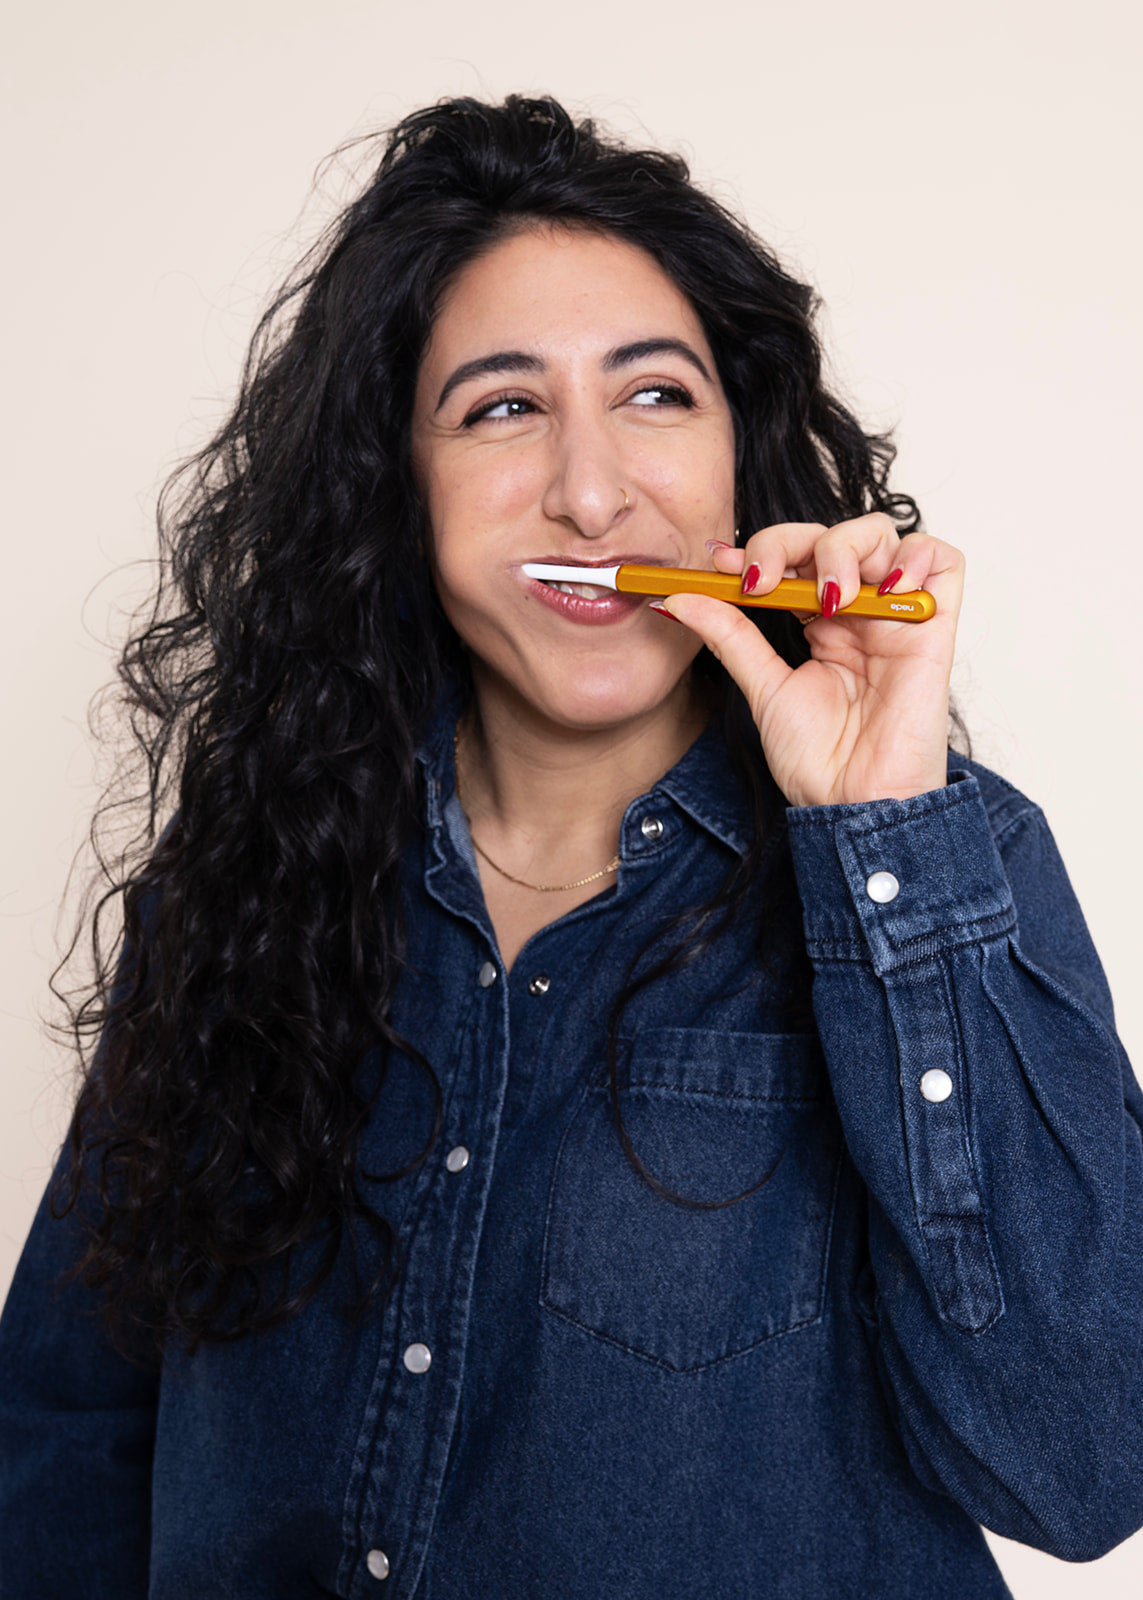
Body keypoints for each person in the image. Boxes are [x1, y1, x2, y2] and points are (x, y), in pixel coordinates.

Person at [1, 94, 1141, 1600]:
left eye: (656, 395)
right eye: (501, 408)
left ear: (739, 457)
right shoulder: (250, 874)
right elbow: (66, 1441)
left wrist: (877, 831)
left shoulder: (945, 859)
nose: (593, 494)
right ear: (396, 485)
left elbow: (1085, 1465)